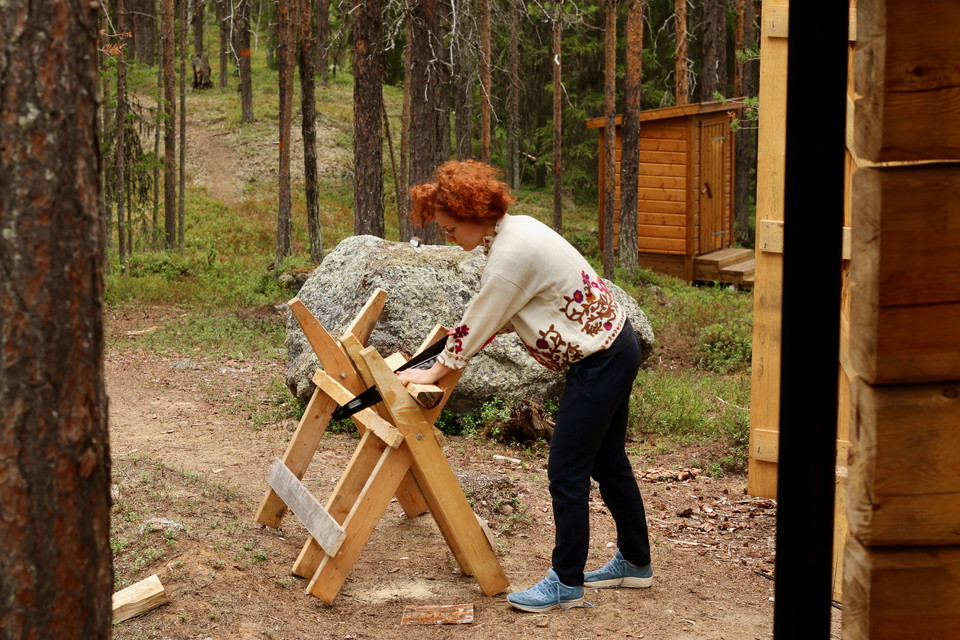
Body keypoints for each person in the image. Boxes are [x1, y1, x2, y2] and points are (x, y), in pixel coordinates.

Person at [397, 159, 653, 613]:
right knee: (608, 461)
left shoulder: (509, 256)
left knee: (566, 470)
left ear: (475, 215)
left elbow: (481, 317)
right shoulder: (518, 230)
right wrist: (454, 347)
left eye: (451, 229)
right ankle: (635, 561)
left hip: (599, 361)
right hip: (616, 346)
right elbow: (499, 314)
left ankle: (566, 583)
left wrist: (433, 370)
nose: (448, 237)